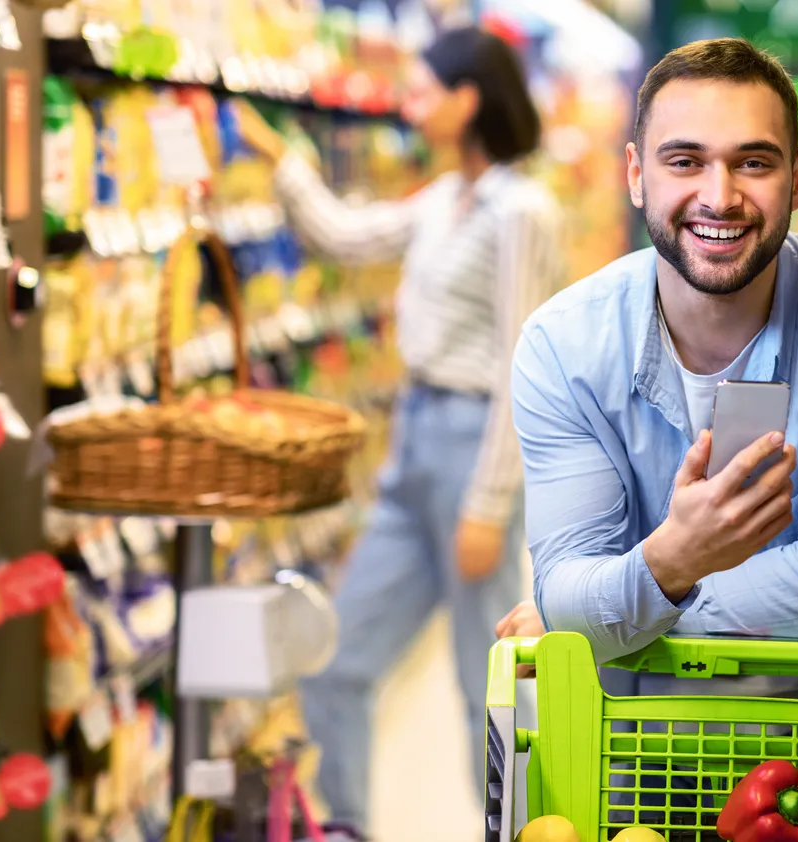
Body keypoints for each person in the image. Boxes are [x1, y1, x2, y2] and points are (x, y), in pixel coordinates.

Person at [498, 38, 798, 701]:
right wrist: (666, 560)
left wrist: (621, 610)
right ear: (636, 174)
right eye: (685, 161)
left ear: (796, 178)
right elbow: (565, 587)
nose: (720, 196)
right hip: (624, 754)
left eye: (752, 162)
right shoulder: (564, 346)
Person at [233, 26, 564, 837]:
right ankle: (346, 824)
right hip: (413, 444)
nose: (410, 109)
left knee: (482, 688)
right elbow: (345, 239)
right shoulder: (443, 201)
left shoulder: (521, 210)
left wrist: (489, 502)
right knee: (334, 661)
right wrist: (282, 160)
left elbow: (523, 364)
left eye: (423, 92)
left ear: (467, 100)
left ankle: (517, 830)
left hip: (468, 452)